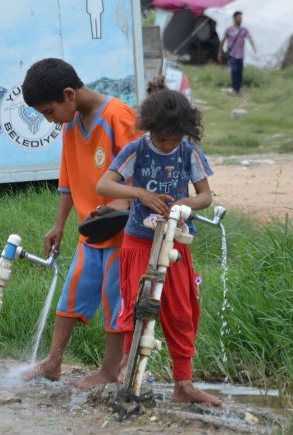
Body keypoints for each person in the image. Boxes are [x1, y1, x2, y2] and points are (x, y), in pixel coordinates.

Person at [95, 86, 223, 406]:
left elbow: (206, 196)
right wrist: (139, 193)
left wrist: (186, 203)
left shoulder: (188, 151)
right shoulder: (137, 149)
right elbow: (104, 184)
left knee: (181, 311)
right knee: (137, 306)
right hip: (139, 240)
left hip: (175, 243)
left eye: (174, 139)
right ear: (150, 130)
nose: (168, 145)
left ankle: (184, 384)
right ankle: (127, 369)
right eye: (162, 139)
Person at [20, 58, 143, 389]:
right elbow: (68, 178)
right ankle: (53, 362)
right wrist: (58, 224)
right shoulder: (70, 124)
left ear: (69, 94)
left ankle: (109, 371)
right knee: (72, 292)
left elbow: (142, 173)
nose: (49, 120)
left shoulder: (119, 117)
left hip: (124, 232)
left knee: (115, 300)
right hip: (91, 230)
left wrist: (119, 207)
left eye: (48, 112)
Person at [217, 11, 257, 97]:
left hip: (240, 55)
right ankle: (234, 89)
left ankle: (237, 90)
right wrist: (220, 51)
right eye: (239, 17)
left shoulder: (244, 30)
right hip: (232, 54)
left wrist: (253, 46)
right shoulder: (229, 30)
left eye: (241, 18)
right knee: (233, 71)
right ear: (234, 18)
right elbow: (223, 40)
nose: (240, 19)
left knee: (239, 73)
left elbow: (249, 38)